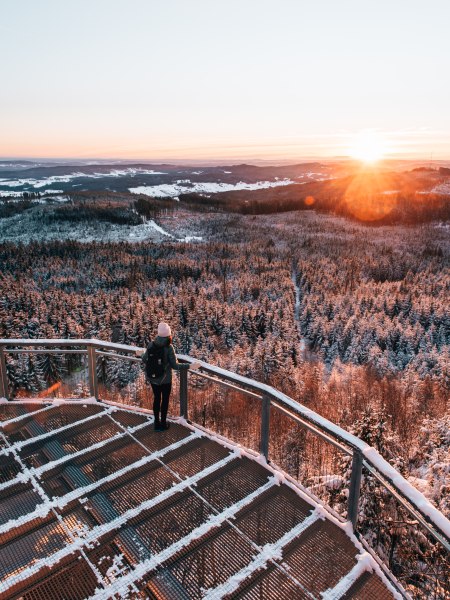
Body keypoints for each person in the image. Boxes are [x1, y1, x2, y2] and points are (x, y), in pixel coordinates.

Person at [140, 322, 180, 431]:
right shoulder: (169, 347)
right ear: (168, 334)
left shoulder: (151, 345)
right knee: (165, 400)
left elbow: (144, 359)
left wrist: (141, 354)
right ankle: (163, 424)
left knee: (157, 399)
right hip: (166, 380)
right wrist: (189, 366)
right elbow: (175, 365)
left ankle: (156, 423)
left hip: (154, 379)